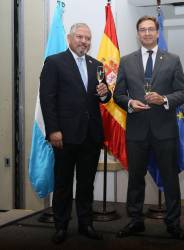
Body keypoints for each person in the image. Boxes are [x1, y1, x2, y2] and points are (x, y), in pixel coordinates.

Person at [113, 16, 184, 239]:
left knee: (170, 179)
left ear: (157, 32)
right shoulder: (126, 61)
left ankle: (173, 223)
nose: (146, 33)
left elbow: (182, 93)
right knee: (135, 179)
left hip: (165, 131)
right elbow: (118, 94)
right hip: (136, 131)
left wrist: (163, 99)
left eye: (151, 29)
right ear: (138, 34)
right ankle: (135, 221)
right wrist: (129, 103)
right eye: (142, 30)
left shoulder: (173, 60)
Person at [40, 23, 111, 244]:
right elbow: (47, 99)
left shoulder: (96, 65)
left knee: (86, 184)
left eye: (88, 38)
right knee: (63, 184)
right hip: (64, 136)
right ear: (70, 38)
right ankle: (61, 226)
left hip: (90, 136)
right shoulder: (54, 62)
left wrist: (104, 94)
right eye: (80, 37)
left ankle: (85, 224)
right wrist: (53, 130)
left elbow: (105, 98)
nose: (84, 41)